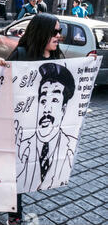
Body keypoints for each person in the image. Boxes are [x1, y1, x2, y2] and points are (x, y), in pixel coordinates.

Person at [0, 13, 96, 225]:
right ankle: (15, 215)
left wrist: (88, 67)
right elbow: (1, 85)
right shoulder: (21, 54)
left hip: (41, 130)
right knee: (16, 173)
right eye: (55, 31)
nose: (59, 36)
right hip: (17, 127)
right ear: (42, 33)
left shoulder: (57, 58)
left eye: (60, 32)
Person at [17, 62, 77, 192]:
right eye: (43, 101)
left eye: (54, 100)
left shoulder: (70, 147)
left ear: (63, 109)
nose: (46, 110)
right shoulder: (21, 147)